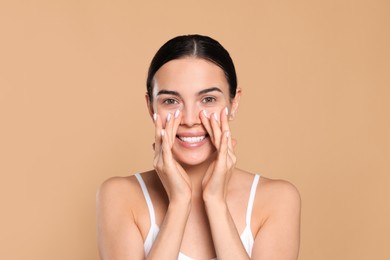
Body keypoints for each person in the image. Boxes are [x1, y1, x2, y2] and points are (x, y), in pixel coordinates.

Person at [96, 34, 301, 260]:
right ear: (151, 108)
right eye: (171, 101)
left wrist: (215, 202)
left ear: (234, 103)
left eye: (208, 99)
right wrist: (178, 203)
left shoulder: (277, 199)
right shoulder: (120, 196)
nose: (190, 119)